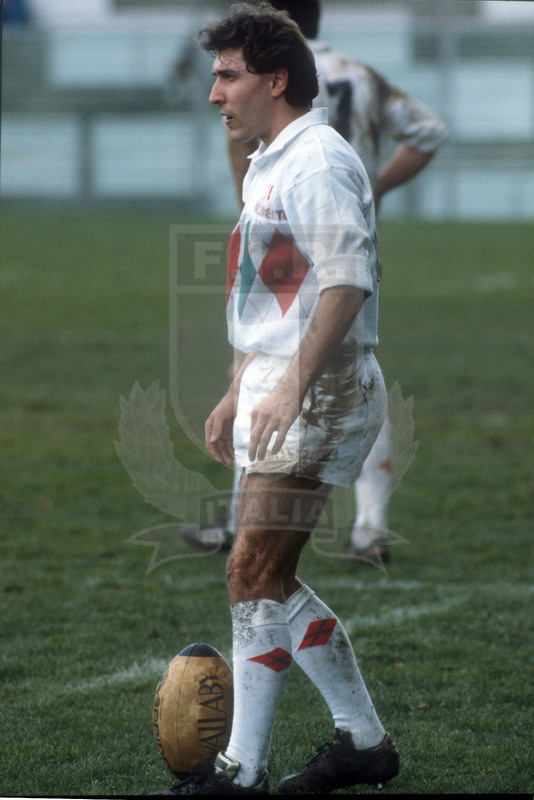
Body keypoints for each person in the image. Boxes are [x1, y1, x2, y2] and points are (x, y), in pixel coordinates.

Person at [154, 2, 399, 795]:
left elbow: (348, 283)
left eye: (228, 76)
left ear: (276, 80)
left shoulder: (317, 161)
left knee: (252, 568)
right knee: (266, 575)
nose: (214, 93)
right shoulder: (271, 160)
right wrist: (239, 386)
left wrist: (292, 386)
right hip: (282, 386)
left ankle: (241, 771)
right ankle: (362, 743)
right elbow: (278, 290)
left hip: (321, 393)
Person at [181, 0, 449, 566]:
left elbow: (245, 150)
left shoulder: (277, 102)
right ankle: (369, 525)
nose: (219, 92)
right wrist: (375, 188)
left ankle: (244, 525)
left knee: (311, 362)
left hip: (297, 225)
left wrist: (255, 206)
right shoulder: (357, 72)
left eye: (227, 76)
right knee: (316, 361)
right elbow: (429, 131)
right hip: (342, 227)